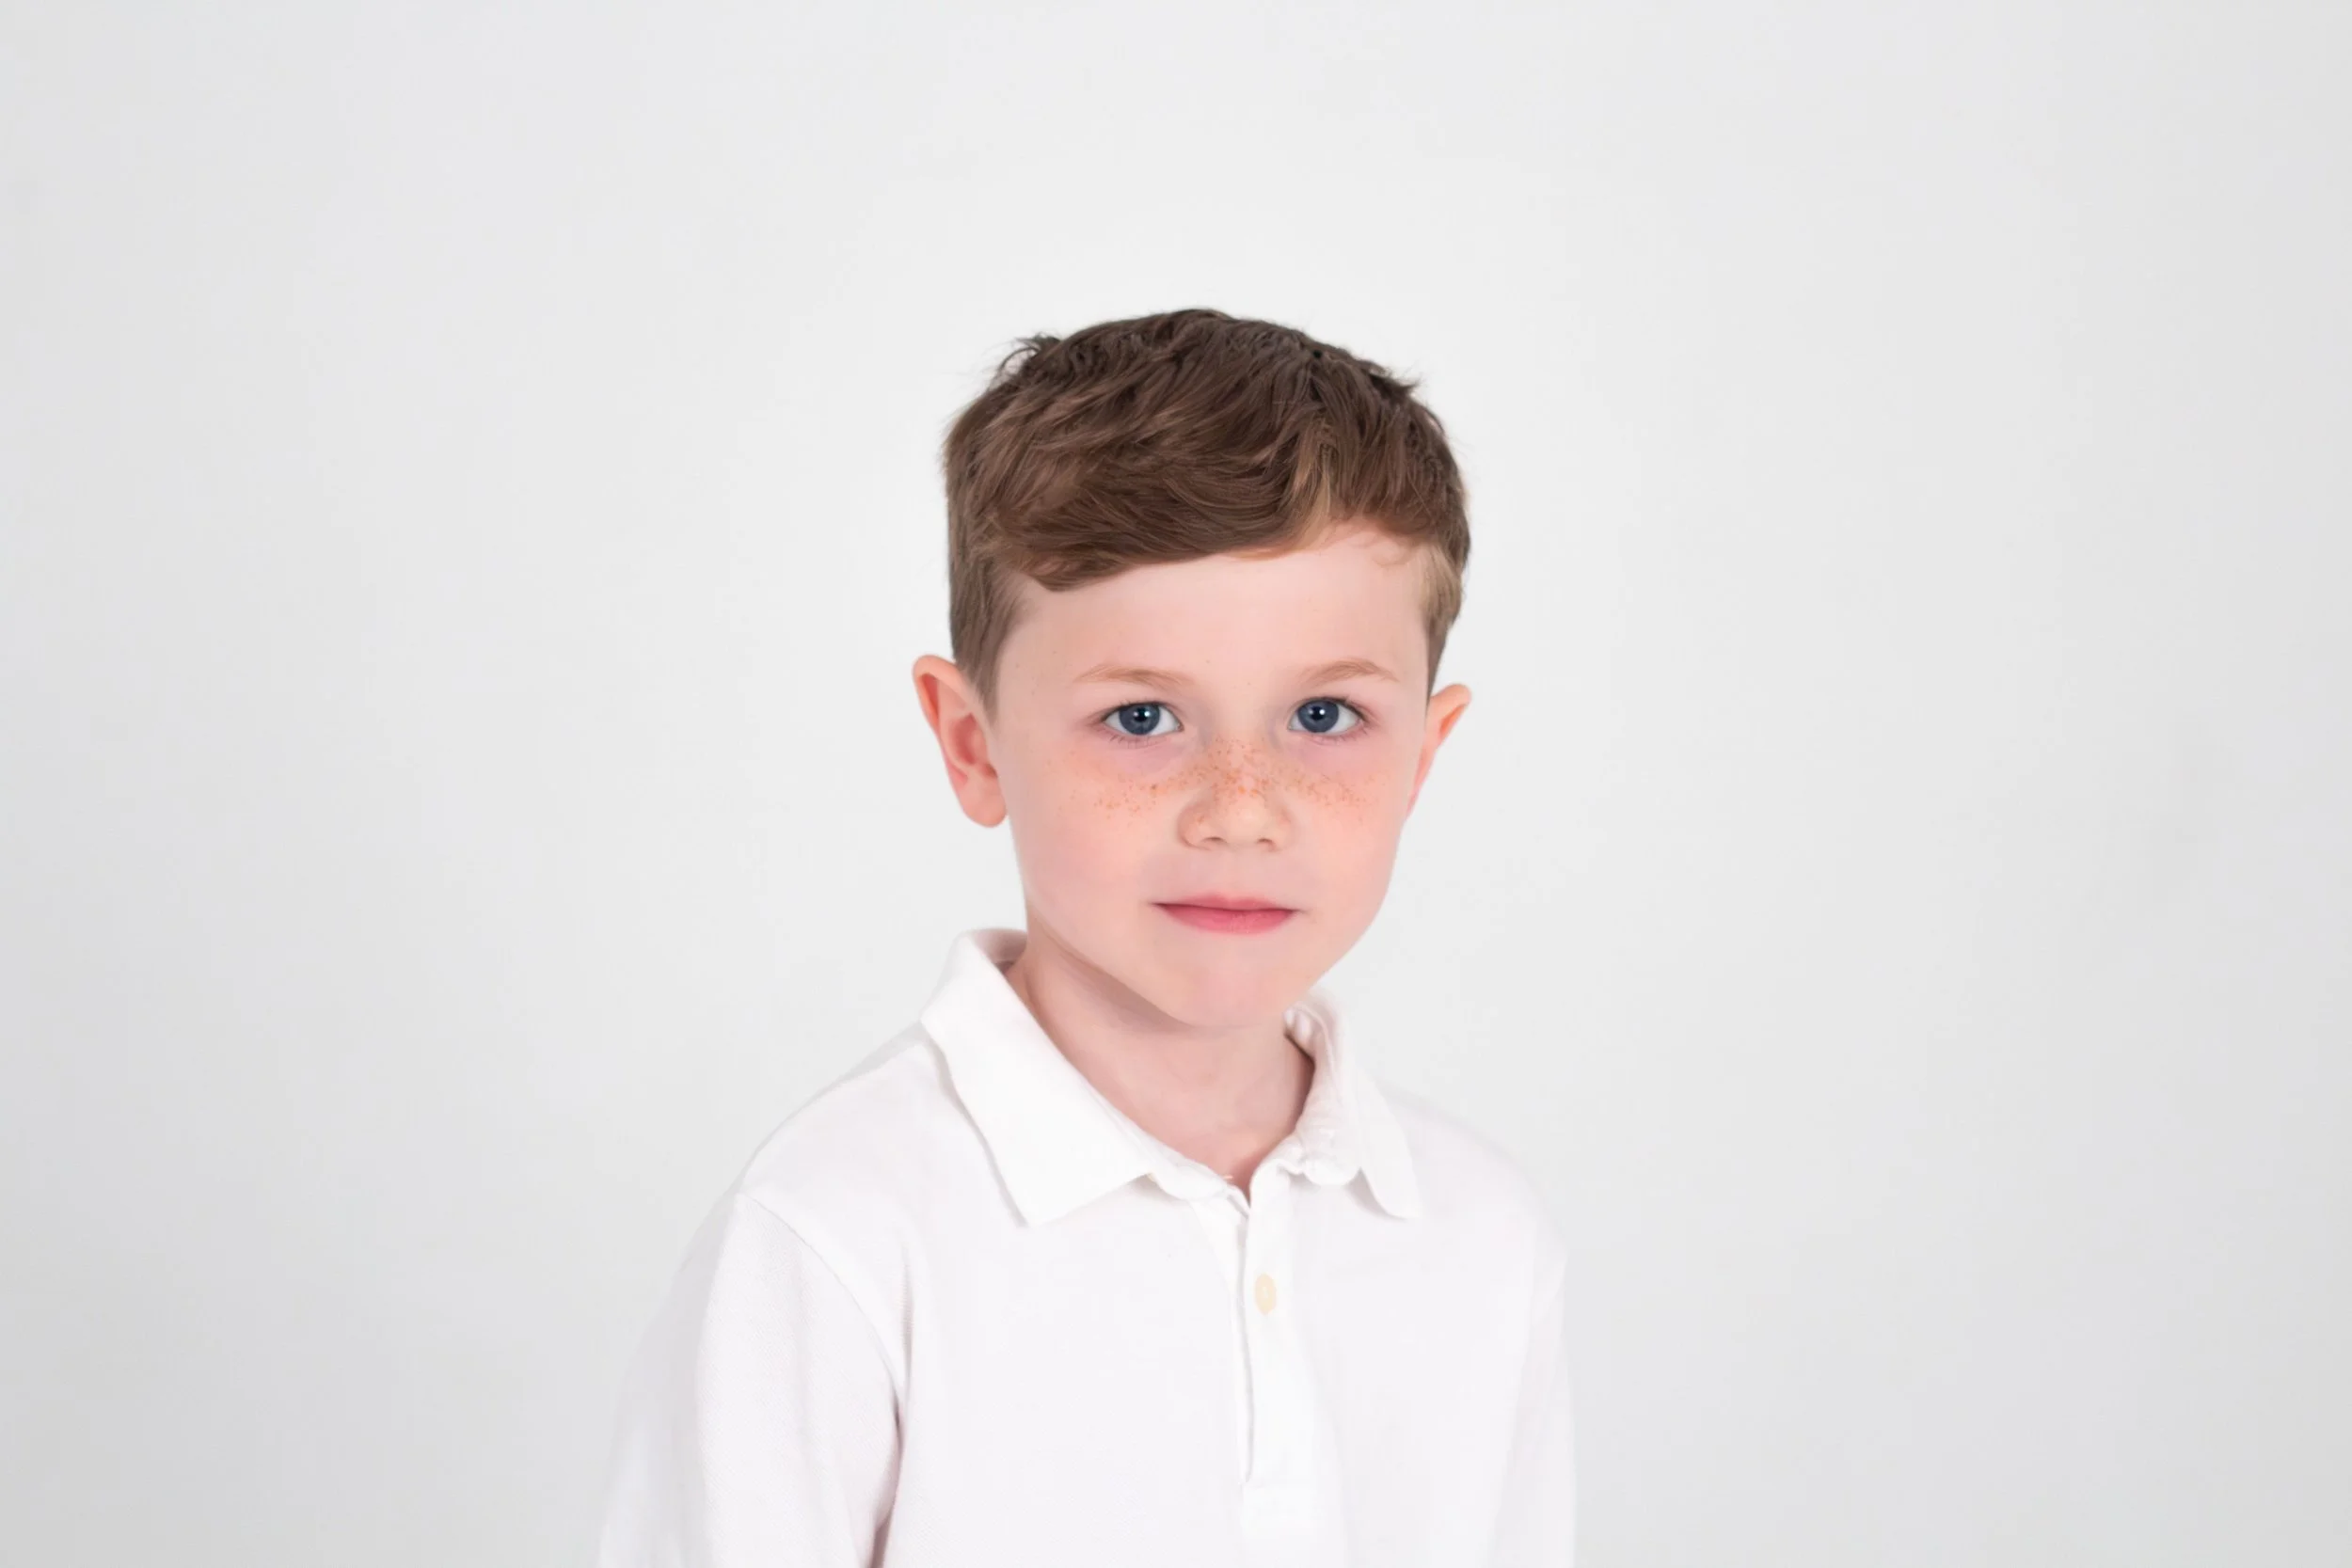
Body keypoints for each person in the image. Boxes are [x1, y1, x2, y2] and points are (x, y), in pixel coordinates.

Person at [595, 308, 1573, 1566]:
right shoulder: (839, 1235)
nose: (1240, 808)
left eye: (1323, 714)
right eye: (1143, 717)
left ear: (1424, 756)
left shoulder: (1481, 1239)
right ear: (972, 740)